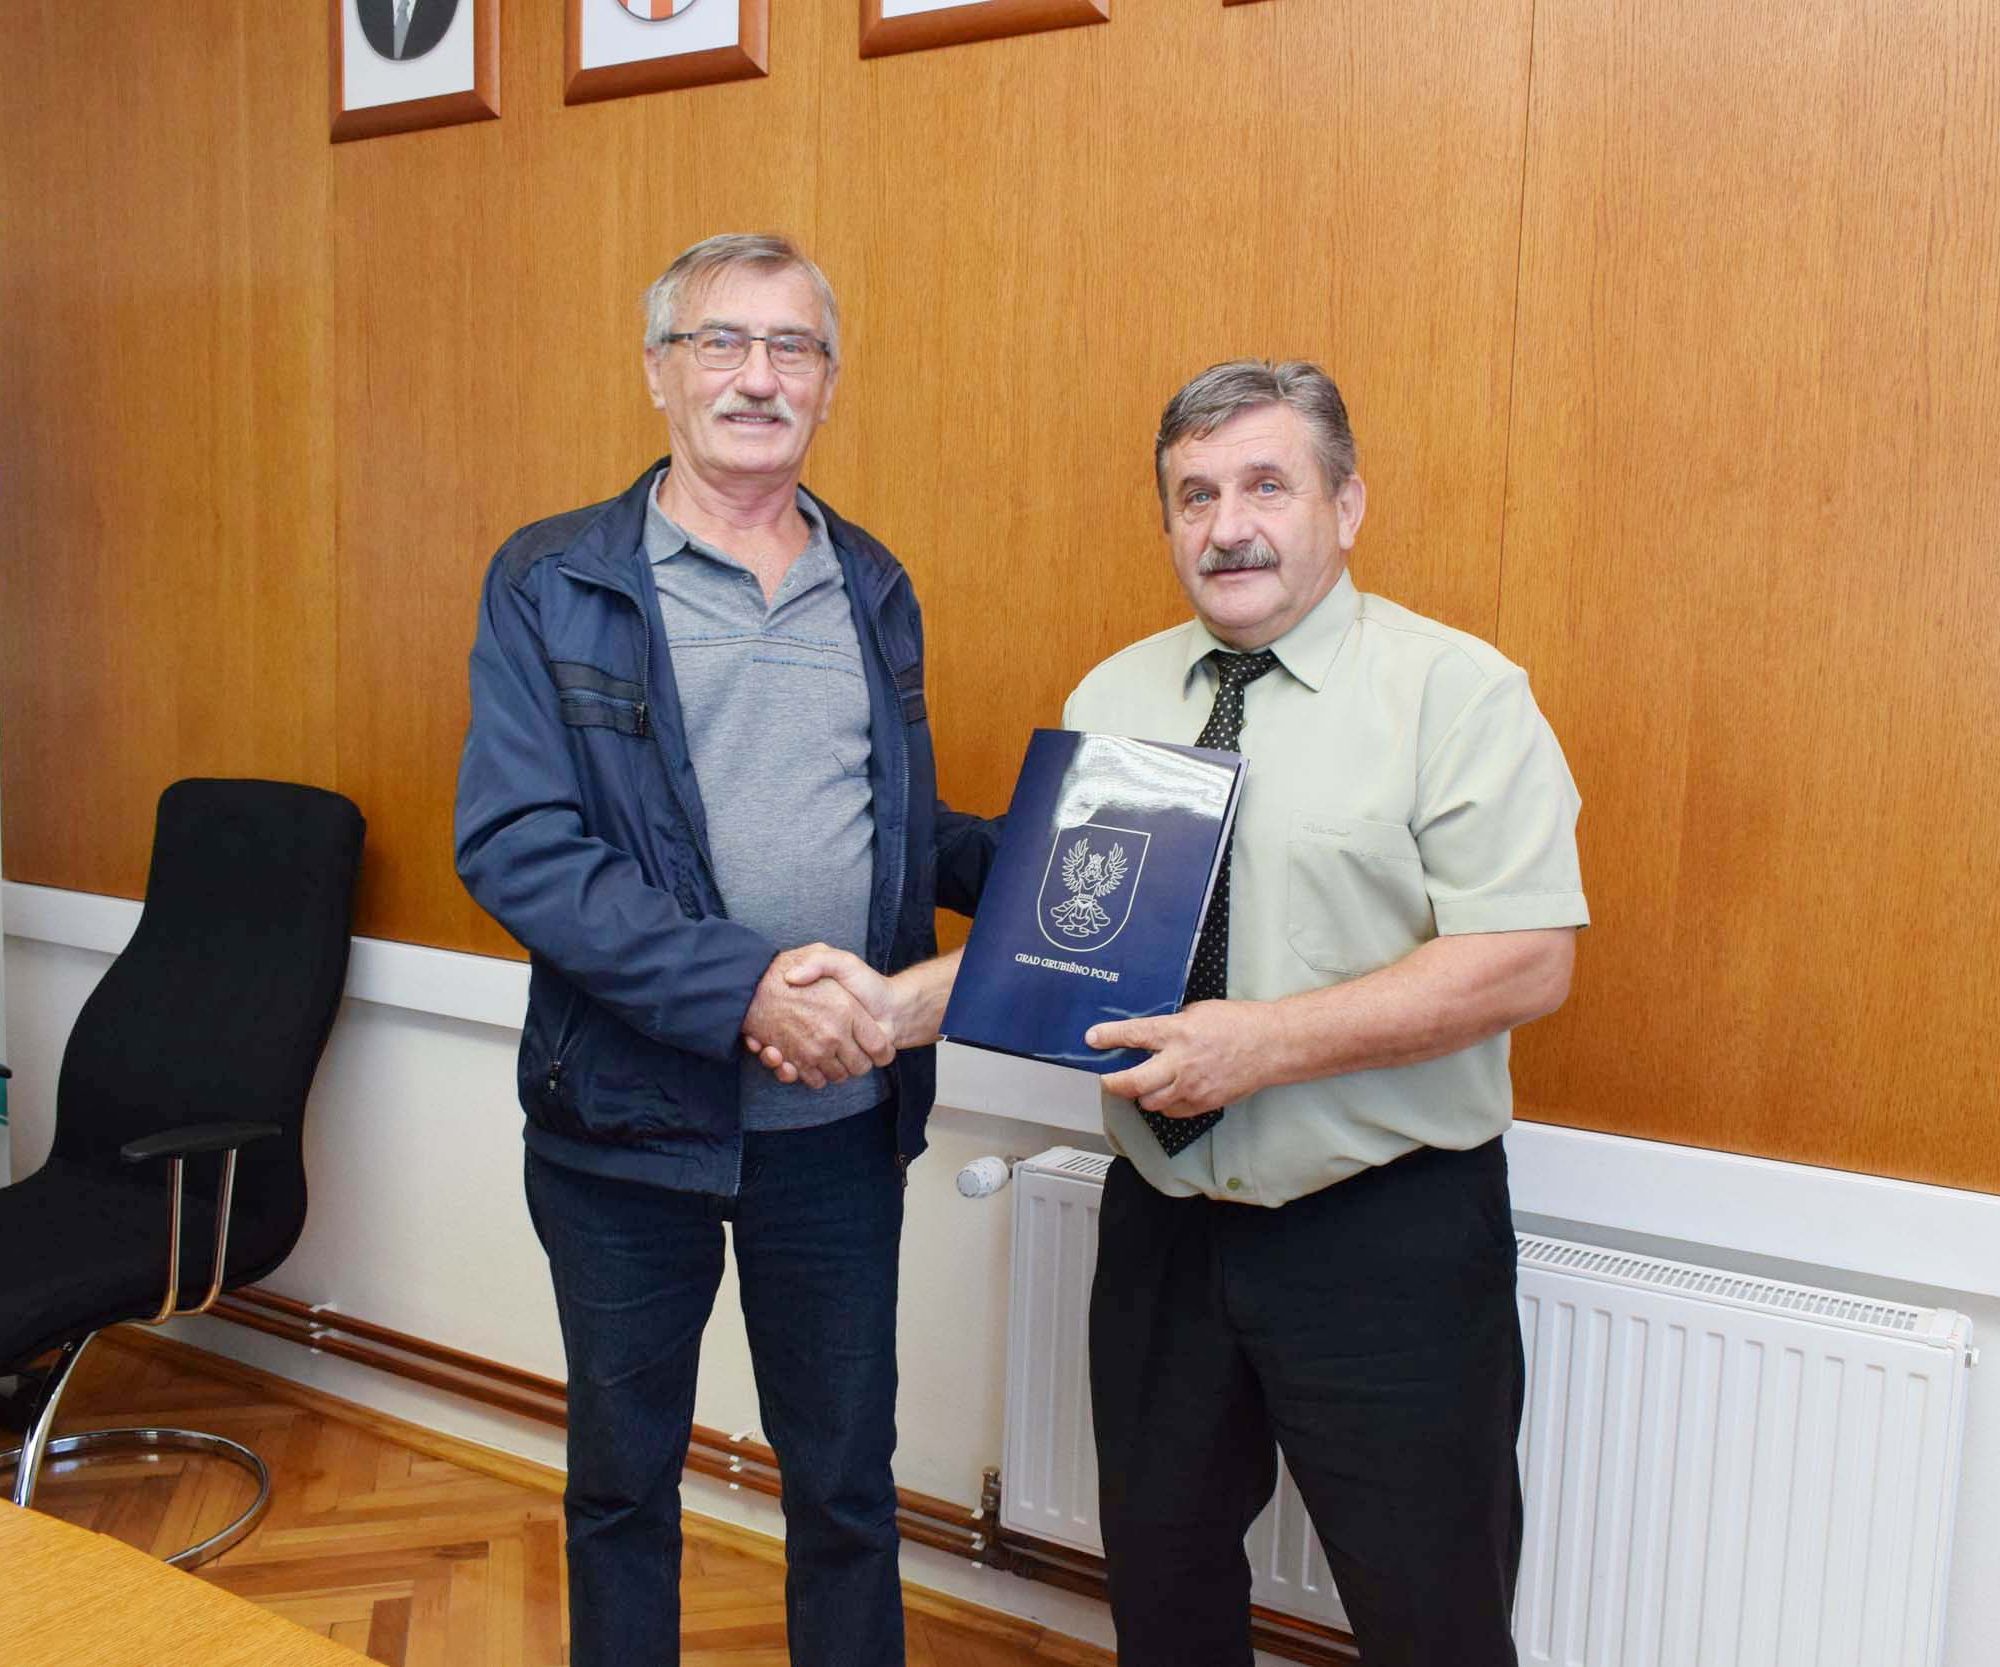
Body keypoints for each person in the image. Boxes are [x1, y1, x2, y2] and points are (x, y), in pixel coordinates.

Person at [453, 233, 996, 1667]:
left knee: (846, 1490)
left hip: (840, 1124)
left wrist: (1073, 869)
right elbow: (518, 843)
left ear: (829, 380)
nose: (759, 376)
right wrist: (747, 987)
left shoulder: (872, 582)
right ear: (659, 371)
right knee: (623, 1489)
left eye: (792, 346)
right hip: (627, 1130)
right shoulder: (554, 579)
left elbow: (890, 817)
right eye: (721, 342)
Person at [1064, 359, 1587, 1666]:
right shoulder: (1111, 700)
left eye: (1266, 486)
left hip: (1387, 1234)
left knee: (1432, 1618)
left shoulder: (1456, 692)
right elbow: (1072, 943)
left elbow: (1525, 960)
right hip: (1163, 1229)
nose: (1226, 525)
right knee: (1164, 1601)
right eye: (1194, 494)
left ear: (1345, 507)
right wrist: (903, 1001)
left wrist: (1261, 1044)